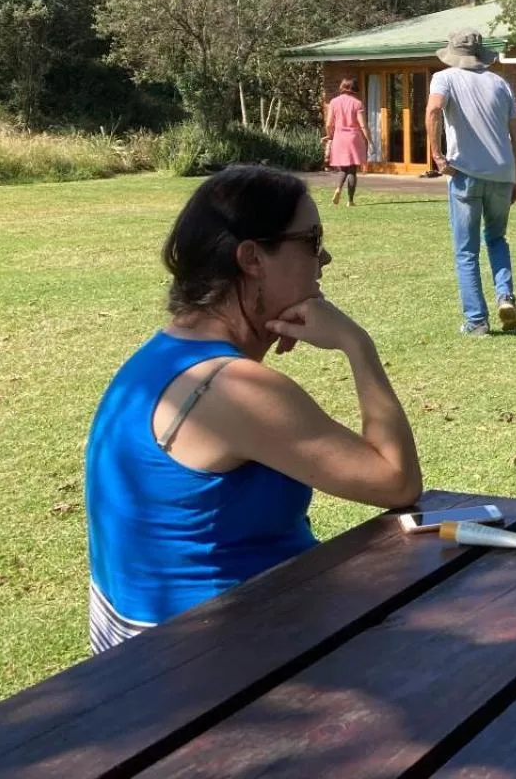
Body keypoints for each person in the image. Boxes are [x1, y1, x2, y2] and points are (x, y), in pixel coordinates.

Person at [83, 165, 422, 653]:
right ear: (252, 258)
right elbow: (398, 482)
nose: (324, 256)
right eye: (311, 239)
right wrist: (357, 345)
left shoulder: (163, 355)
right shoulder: (233, 389)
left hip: (153, 645)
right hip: (209, 665)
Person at [425, 29, 516, 336]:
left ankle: (477, 320)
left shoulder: (445, 78)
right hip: (501, 175)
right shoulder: (500, 84)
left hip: (466, 175)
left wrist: (437, 156)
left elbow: (433, 110)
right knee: (496, 239)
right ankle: (505, 296)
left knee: (466, 250)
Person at [323, 77, 371, 206]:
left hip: (339, 137)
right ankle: (350, 200)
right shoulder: (357, 103)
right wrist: (369, 139)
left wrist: (330, 136)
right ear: (354, 88)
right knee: (352, 170)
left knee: (343, 168)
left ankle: (338, 188)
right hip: (353, 138)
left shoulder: (333, 102)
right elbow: (362, 125)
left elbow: (328, 124)